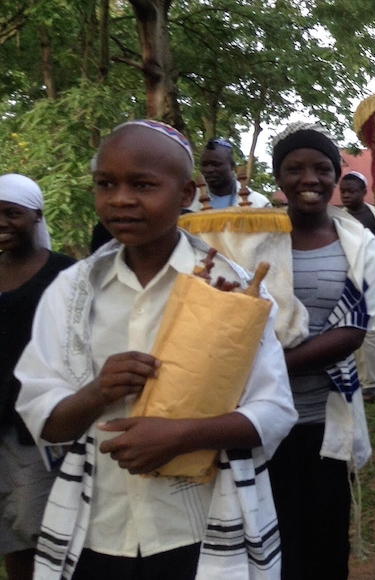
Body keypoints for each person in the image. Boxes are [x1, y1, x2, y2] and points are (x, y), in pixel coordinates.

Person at [14, 120, 296, 580]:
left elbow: (274, 410)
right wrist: (96, 393)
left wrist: (182, 436)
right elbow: (42, 417)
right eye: (106, 184)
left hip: (198, 534)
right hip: (97, 530)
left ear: (186, 194)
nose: (121, 199)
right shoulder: (71, 292)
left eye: (143, 185)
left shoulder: (232, 290)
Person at [267, 122, 375, 580]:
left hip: (324, 418)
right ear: (279, 177)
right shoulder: (254, 239)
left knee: (326, 543)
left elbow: (353, 330)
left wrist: (268, 365)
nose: (309, 178)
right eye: (295, 168)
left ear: (336, 176)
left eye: (321, 168)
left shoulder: (358, 243)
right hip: (260, 418)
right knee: (272, 541)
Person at [0, 174, 75, 580]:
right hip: (0, 428)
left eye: (12, 213)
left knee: (41, 531)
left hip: (41, 431)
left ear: (36, 216)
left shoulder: (65, 274)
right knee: (9, 537)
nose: (3, 222)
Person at [339, 171, 375, 402]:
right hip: (349, 281)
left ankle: (373, 382)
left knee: (370, 328)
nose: (346, 196)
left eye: (351, 191)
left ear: (364, 193)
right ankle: (359, 377)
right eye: (343, 191)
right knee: (351, 327)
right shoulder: (339, 220)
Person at [189, 138, 271, 210]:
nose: (209, 170)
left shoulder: (259, 203)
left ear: (232, 166)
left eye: (216, 164)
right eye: (204, 165)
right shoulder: (189, 202)